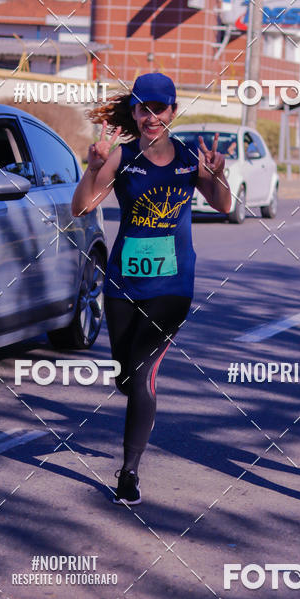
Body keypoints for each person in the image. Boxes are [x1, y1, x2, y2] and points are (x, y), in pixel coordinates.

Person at [71, 73, 231, 505]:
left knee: (141, 374)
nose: (152, 116)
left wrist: (218, 177)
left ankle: (129, 471)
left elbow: (224, 204)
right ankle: (137, 401)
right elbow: (82, 206)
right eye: (144, 108)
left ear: (172, 112)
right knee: (125, 375)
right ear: (136, 112)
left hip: (172, 288)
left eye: (160, 108)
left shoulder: (186, 158)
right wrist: (91, 168)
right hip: (123, 284)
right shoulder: (120, 158)